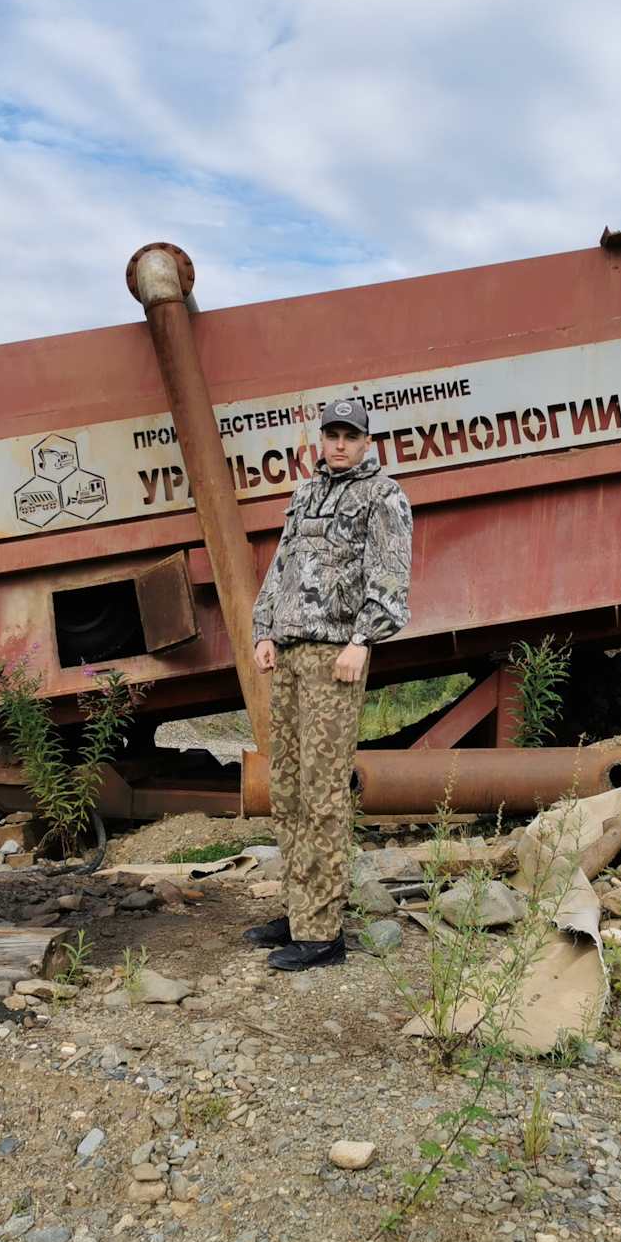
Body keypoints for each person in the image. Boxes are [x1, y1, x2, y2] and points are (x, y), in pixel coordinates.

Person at [245, 397, 412, 970]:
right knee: (287, 788)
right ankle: (297, 910)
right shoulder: (305, 495)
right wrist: (264, 628)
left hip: (335, 658)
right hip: (289, 657)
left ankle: (323, 933)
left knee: (322, 793)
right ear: (322, 439)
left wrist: (361, 641)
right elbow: (281, 565)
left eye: (351, 435)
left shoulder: (383, 497)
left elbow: (391, 576)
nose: (340, 443)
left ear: (367, 442)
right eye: (332, 434)